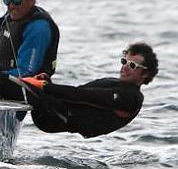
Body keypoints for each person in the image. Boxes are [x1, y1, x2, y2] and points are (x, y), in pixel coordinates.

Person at [11, 42, 158, 138]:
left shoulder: (131, 99)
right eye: (125, 61)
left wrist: (45, 87)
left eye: (132, 65)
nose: (125, 67)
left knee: (4, 82)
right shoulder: (112, 82)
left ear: (145, 74)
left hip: (55, 118)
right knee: (16, 82)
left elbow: (85, 96)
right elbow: (76, 92)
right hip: (55, 108)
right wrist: (47, 83)